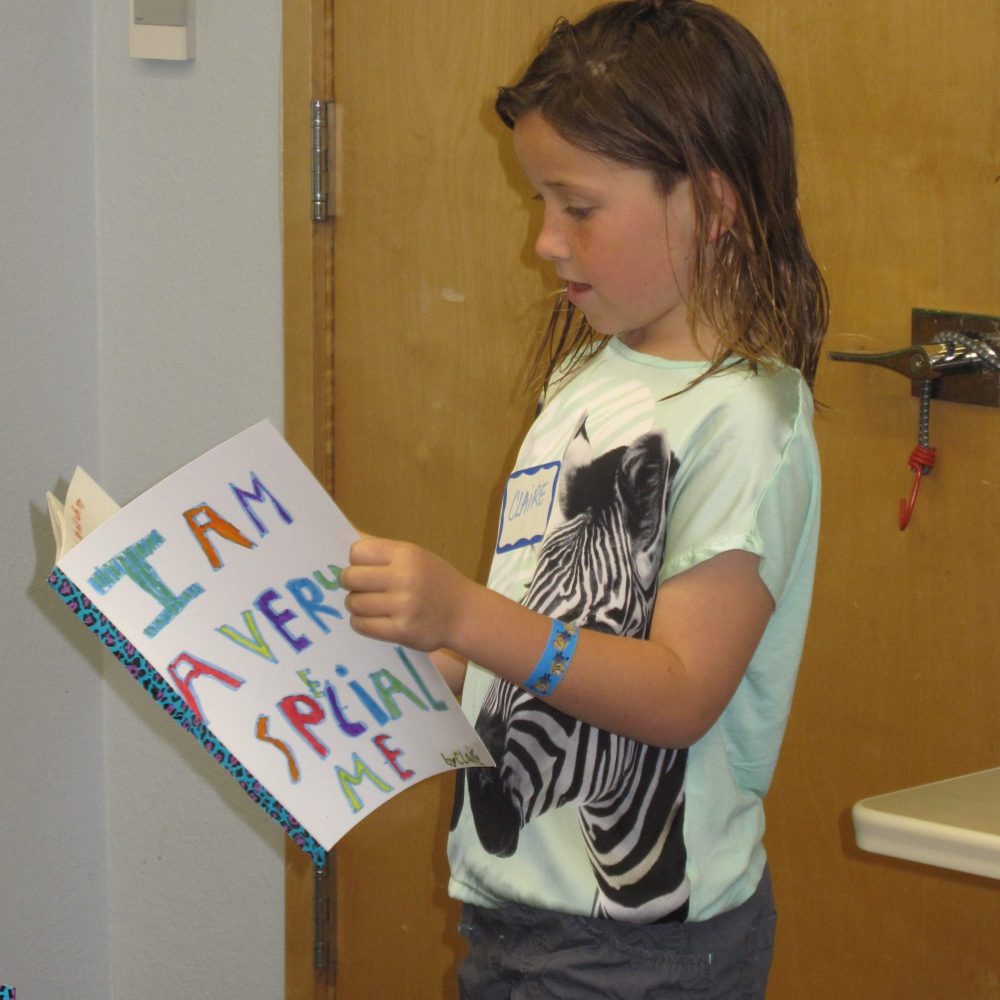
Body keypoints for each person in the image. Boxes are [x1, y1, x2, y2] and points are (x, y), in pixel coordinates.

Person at [340, 0, 828, 995]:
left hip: (643, 948)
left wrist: (469, 614)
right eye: (537, 205)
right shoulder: (587, 381)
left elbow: (682, 691)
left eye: (578, 207)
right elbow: (553, 630)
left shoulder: (744, 419)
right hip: (509, 906)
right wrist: (441, 655)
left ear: (714, 204)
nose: (545, 245)